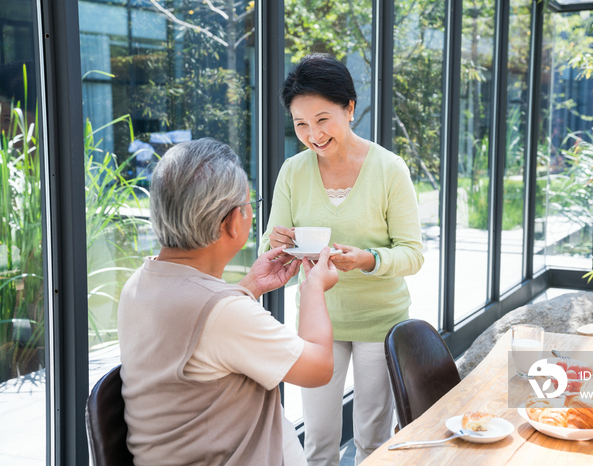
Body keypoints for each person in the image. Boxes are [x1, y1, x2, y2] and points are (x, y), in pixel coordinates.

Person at [117, 138, 338, 466]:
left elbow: (199, 331)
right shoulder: (223, 313)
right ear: (234, 221)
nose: (251, 214)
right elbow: (319, 368)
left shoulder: (140, 282)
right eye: (250, 205)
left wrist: (249, 286)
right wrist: (313, 290)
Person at [260, 54, 424, 465]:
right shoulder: (292, 172)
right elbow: (269, 249)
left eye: (322, 119)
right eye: (300, 124)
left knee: (371, 439)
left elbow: (413, 253)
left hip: (378, 320)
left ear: (349, 108)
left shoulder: (389, 169)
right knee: (318, 442)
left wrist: (368, 259)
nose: (312, 134)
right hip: (318, 324)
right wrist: (277, 244)